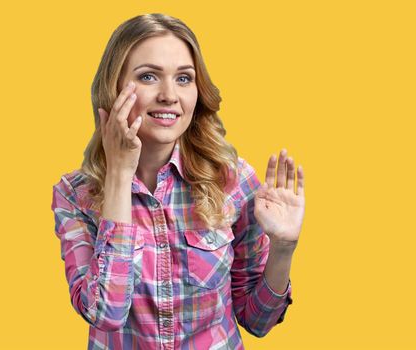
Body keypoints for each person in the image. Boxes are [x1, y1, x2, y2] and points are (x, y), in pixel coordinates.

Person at [51, 13, 305, 350]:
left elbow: (258, 321)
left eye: (184, 79)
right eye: (149, 76)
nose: (169, 95)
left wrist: (283, 249)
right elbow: (104, 313)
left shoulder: (233, 181)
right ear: (113, 90)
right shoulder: (75, 195)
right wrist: (119, 177)